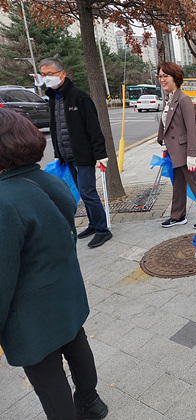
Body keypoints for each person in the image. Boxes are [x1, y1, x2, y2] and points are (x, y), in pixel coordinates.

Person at [0, 108, 108, 419]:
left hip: (31, 314)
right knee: (76, 346)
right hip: (66, 291)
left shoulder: (5, 201)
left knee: (48, 377)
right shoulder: (50, 180)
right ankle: (91, 402)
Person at [40, 57, 112, 248]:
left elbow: (93, 127)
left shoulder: (79, 97)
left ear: (62, 74)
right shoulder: (53, 99)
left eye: (51, 74)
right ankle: (93, 224)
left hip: (84, 156)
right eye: (44, 74)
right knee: (82, 192)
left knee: (88, 192)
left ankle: (103, 230)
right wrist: (59, 154)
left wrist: (100, 154)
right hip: (68, 156)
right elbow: (55, 128)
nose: (47, 78)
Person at [157, 62, 196, 227]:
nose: (162, 79)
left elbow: (191, 130)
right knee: (178, 184)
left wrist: (191, 154)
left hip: (186, 152)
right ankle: (178, 215)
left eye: (166, 76)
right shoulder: (170, 98)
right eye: (160, 76)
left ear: (175, 78)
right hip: (175, 151)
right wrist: (163, 142)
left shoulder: (183, 99)